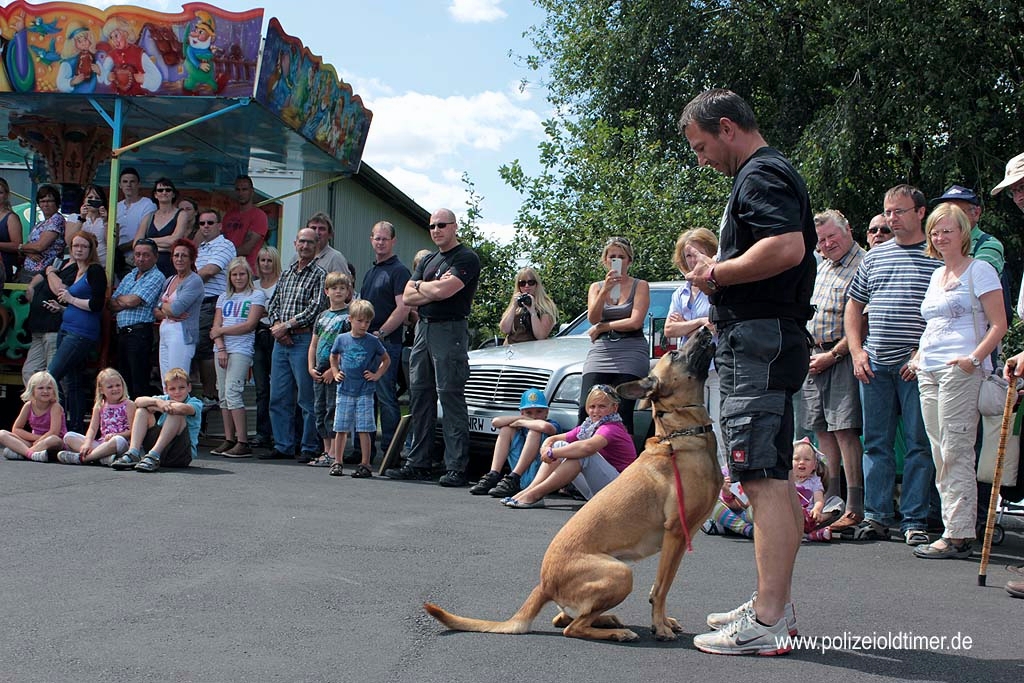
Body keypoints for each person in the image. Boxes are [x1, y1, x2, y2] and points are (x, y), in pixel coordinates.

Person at [680, 88, 815, 655]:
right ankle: (773, 605)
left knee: (758, 479)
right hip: (769, 339)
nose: (701, 157)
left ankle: (767, 618)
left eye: (702, 145)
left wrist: (718, 274)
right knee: (774, 479)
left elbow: (787, 247)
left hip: (757, 340)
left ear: (728, 127)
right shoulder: (768, 172)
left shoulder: (760, 175)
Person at [909, 203, 1006, 560]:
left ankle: (959, 533)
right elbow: (931, 323)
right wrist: (919, 357)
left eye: (948, 230)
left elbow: (999, 323)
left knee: (956, 448)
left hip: (960, 369)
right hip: (930, 368)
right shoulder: (937, 275)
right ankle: (954, 527)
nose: (940, 236)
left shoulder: (979, 270)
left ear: (964, 233)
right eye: (935, 230)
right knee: (939, 449)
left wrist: (973, 359)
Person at [845, 184, 940, 546]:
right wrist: (857, 351)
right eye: (887, 212)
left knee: (919, 444)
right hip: (875, 364)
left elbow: (946, 314)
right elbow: (854, 306)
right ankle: (877, 516)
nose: (891, 218)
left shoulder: (938, 257)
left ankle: (915, 519)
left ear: (920, 212)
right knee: (876, 444)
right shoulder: (875, 257)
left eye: (899, 211)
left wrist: (920, 354)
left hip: (917, 367)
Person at [385, 208, 480, 487]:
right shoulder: (428, 259)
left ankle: (456, 467)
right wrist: (433, 286)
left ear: (454, 227)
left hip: (450, 330)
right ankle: (419, 462)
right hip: (423, 330)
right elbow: (409, 296)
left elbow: (444, 292)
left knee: (449, 396)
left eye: (442, 225)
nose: (436, 230)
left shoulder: (466, 257)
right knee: (420, 397)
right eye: (432, 226)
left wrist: (425, 288)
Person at [802, 210, 866, 534]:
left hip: (840, 354)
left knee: (844, 430)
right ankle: (830, 499)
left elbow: (862, 323)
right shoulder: (822, 264)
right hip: (813, 355)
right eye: (822, 240)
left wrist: (832, 354)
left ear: (848, 230)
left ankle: (855, 506)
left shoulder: (862, 263)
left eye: (832, 237)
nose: (828, 244)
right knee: (821, 430)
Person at [502, 384, 636, 509]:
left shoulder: (611, 428)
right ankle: (530, 491)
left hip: (620, 493)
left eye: (602, 406)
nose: (596, 411)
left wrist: (552, 453)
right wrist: (546, 448)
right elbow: (554, 439)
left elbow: (587, 447)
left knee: (583, 455)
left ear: (614, 408)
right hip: (601, 490)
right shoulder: (589, 426)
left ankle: (534, 495)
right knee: (561, 445)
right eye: (592, 406)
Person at [263, 228, 327, 462]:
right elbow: (273, 304)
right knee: (278, 396)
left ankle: (309, 446)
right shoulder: (287, 273)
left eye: (310, 242)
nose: (305, 246)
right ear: (295, 243)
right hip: (281, 342)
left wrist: (286, 326)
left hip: (303, 340)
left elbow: (317, 308)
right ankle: (283, 445)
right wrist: (279, 328)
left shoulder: (320, 274)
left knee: (306, 398)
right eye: (302, 241)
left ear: (317, 244)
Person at [579, 236, 650, 435]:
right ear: (605, 260)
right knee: (587, 406)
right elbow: (593, 318)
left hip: (631, 349)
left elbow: (635, 321)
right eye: (612, 257)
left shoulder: (640, 285)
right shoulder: (596, 287)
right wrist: (605, 291)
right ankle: (583, 455)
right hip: (602, 350)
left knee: (622, 410)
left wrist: (603, 327)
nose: (616, 260)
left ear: (629, 261)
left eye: (621, 257)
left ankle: (623, 458)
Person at [665, 228, 722, 460]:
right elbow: (669, 330)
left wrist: (685, 324)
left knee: (717, 426)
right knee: (689, 429)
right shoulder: (680, 292)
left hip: (715, 368)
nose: (693, 260)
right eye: (688, 255)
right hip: (689, 371)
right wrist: (698, 321)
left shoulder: (718, 288)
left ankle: (726, 486)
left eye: (699, 253)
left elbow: (716, 326)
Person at [46, 231, 107, 433]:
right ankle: (74, 427)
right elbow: (79, 305)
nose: (79, 250)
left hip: (81, 333)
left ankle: (56, 424)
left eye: (83, 246)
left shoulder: (95, 270)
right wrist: (64, 308)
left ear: (91, 249)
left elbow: (97, 304)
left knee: (51, 376)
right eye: (75, 246)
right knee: (73, 381)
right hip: (67, 327)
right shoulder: (76, 270)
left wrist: (71, 300)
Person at [361, 220, 411, 464]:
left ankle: (391, 454)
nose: (380, 242)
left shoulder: (399, 271)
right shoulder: (371, 272)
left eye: (384, 238)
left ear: (393, 241)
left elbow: (403, 308)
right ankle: (365, 452)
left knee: (386, 398)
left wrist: (380, 334)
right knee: (366, 399)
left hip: (386, 345)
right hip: (364, 344)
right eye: (376, 238)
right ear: (371, 240)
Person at [209, 257, 266, 458]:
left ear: (248, 275)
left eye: (242, 274)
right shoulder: (223, 297)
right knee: (223, 395)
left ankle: (243, 441)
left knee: (233, 392)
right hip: (222, 350)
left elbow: (249, 325)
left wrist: (222, 330)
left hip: (241, 349)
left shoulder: (256, 295)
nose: (238, 278)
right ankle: (229, 438)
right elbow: (214, 329)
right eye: (234, 274)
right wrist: (221, 347)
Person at [328, 300, 389, 478]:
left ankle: (365, 463)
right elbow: (333, 356)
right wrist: (335, 371)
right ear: (351, 320)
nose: (364, 325)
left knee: (364, 428)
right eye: (360, 321)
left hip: (365, 390)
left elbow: (386, 359)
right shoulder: (342, 339)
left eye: (367, 322)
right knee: (341, 427)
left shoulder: (373, 341)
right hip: (345, 388)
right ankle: (337, 461)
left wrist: (376, 375)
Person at [469, 388, 561, 497]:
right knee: (506, 429)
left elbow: (544, 427)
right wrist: (521, 418)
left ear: (547, 412)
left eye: (539, 411)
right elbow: (495, 422)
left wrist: (523, 421)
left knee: (535, 432)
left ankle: (514, 477)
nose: (534, 416)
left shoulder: (551, 423)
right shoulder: (522, 420)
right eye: (528, 413)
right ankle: (493, 474)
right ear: (522, 412)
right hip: (523, 475)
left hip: (539, 476)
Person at [110, 367, 202, 472]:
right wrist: (158, 403)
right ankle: (133, 453)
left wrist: (158, 407)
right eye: (172, 389)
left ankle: (153, 455)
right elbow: (138, 401)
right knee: (142, 411)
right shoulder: (163, 400)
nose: (177, 392)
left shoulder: (195, 402)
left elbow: (183, 408)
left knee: (176, 413)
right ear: (166, 390)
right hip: (160, 452)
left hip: (180, 455)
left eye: (181, 388)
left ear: (189, 387)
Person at [306, 272, 352, 467]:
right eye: (334, 288)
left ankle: (335, 452)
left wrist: (333, 370)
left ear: (348, 291)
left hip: (335, 372)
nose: (338, 291)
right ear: (327, 291)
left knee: (334, 409)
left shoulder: (349, 317)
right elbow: (314, 345)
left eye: (342, 288)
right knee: (320, 409)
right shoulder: (322, 317)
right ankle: (326, 451)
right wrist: (310, 367)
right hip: (319, 369)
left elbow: (348, 346)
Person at [109, 237, 164, 400]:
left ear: (155, 257)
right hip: (122, 333)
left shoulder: (156, 276)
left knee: (138, 381)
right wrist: (126, 301)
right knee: (124, 379)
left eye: (146, 255)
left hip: (139, 333)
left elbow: (133, 300)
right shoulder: (131, 274)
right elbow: (111, 303)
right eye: (137, 254)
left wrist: (125, 301)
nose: (140, 258)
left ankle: (142, 421)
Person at [193, 209, 237, 408]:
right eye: (202, 223)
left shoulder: (225, 244)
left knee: (206, 349)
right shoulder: (200, 247)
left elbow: (210, 271)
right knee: (199, 348)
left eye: (210, 222)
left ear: (220, 225)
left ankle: (210, 395)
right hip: (197, 302)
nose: (206, 226)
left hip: (213, 303)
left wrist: (183, 283)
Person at [57, 368, 135, 465]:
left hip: (121, 443)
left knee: (117, 441)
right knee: (68, 436)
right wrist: (87, 443)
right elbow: (93, 429)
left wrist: (117, 435)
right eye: (110, 387)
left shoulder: (129, 404)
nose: (115, 389)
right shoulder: (99, 406)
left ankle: (84, 458)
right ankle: (102, 458)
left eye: (118, 385)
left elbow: (133, 431)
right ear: (101, 390)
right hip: (102, 443)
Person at [154, 239, 204, 383]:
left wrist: (163, 306)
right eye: (176, 255)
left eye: (184, 256)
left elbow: (176, 309)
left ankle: (180, 406)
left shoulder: (194, 281)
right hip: (165, 330)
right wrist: (165, 308)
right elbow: (155, 309)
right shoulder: (170, 279)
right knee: (166, 380)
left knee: (177, 378)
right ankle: (167, 406)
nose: (179, 259)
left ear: (191, 259)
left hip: (182, 333)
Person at [251, 245, 281, 449]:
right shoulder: (253, 286)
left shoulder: (281, 283)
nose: (266, 264)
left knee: (279, 388)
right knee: (261, 388)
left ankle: (279, 433)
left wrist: (262, 311)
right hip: (257, 336)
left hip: (277, 336)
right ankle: (262, 432)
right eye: (262, 260)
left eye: (270, 260)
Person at [0, 371, 65, 462]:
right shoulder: (28, 405)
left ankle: (23, 453)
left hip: (50, 442)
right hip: (33, 442)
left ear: (54, 390)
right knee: (2, 433)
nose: (45, 391)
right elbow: (16, 429)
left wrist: (39, 441)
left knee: (54, 440)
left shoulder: (55, 407)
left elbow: (54, 432)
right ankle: (32, 454)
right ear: (32, 390)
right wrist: (37, 439)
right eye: (40, 388)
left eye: (49, 388)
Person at [134, 177, 190, 277]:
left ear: (173, 194)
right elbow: (136, 243)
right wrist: (166, 247)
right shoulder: (148, 217)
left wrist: (148, 242)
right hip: (149, 268)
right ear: (155, 195)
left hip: (171, 266)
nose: (164, 192)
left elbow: (175, 240)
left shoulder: (181, 214)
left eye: (168, 190)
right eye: (160, 190)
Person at [15, 184, 65, 283]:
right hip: (28, 271)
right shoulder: (40, 223)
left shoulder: (56, 219)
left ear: (57, 203)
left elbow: (39, 246)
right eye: (42, 201)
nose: (45, 204)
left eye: (49, 201)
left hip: (43, 273)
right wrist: (28, 251)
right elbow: (29, 244)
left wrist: (20, 247)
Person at [792, 438, 838, 543]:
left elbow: (819, 499)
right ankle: (812, 535)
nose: (801, 462)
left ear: (814, 465)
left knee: (837, 502)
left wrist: (817, 510)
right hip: (791, 516)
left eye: (807, 459)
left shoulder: (815, 481)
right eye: (796, 459)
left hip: (812, 517)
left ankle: (819, 522)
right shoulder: (787, 479)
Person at [113, 167, 156, 277]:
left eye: (132, 181)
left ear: (138, 184)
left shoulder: (148, 205)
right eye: (125, 182)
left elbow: (146, 233)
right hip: (116, 260)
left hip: (138, 259)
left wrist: (120, 248)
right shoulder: (116, 207)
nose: (128, 185)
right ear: (120, 185)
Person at [221, 175, 268, 272]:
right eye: (238, 190)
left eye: (244, 189)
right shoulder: (228, 215)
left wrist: (223, 254)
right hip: (228, 269)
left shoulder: (259, 215)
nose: (241, 193)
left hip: (248, 270)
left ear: (252, 191)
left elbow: (247, 248)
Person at [499, 267, 558, 344]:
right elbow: (504, 329)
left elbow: (541, 336)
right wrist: (514, 306)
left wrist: (533, 312)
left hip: (533, 351)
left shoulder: (545, 305)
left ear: (537, 284)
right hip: (512, 350)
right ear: (518, 286)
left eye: (531, 282)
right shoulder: (516, 304)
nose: (526, 286)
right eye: (522, 283)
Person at [291, 212, 350, 276]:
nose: (317, 232)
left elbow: (343, 284)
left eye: (322, 229)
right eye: (313, 228)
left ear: (330, 234)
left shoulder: (336, 259)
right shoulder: (296, 257)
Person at [65, 184, 109, 266]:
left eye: (97, 198)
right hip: (79, 266)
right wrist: (81, 219)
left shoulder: (109, 219)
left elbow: (112, 244)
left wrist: (105, 221)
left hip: (102, 265)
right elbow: (69, 241)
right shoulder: (74, 217)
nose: (93, 200)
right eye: (90, 198)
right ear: (84, 200)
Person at [704, 467, 754, 538]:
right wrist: (726, 493)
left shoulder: (758, 470)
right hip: (736, 515)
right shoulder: (724, 474)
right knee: (713, 504)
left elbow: (748, 504)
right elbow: (736, 507)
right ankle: (747, 530)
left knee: (755, 510)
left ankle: (728, 528)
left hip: (753, 512)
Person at [0, 177, 24, 282]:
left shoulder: (11, 217)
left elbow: (17, 245)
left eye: (0, 192)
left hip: (5, 266)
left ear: (6, 194)